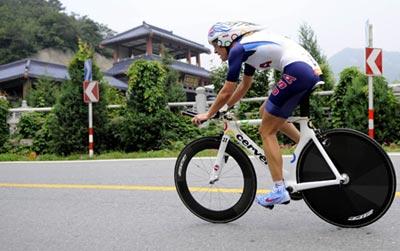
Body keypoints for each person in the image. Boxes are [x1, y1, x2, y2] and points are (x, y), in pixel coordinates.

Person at [192, 21, 322, 208]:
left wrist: (209, 113)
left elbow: (228, 89)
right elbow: (245, 85)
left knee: (266, 131)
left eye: (215, 46)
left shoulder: (238, 49)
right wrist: (224, 108)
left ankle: (279, 189)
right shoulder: (248, 50)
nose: (215, 51)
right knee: (265, 111)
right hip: (307, 71)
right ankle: (308, 146)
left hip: (297, 70)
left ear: (224, 40)